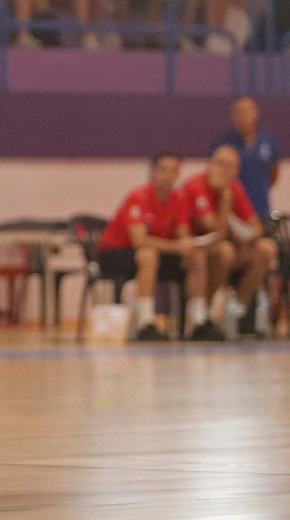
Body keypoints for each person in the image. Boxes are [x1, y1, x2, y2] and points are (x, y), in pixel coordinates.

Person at [97, 152, 206, 341]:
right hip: (116, 254)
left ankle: (199, 321)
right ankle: (145, 322)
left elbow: (183, 235)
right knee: (147, 255)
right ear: (153, 172)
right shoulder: (138, 196)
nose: (168, 175)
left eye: (173, 171)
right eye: (163, 170)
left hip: (158, 253)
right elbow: (140, 240)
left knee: (195, 256)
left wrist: (189, 245)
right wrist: (177, 246)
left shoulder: (178, 199)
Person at [179, 145, 278, 337]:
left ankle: (236, 308)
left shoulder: (236, 187)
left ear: (237, 170)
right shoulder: (195, 186)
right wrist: (225, 198)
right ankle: (204, 315)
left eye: (230, 166)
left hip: (229, 246)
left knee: (266, 249)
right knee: (224, 251)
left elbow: (256, 229)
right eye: (219, 163)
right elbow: (215, 231)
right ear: (210, 164)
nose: (224, 169)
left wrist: (244, 235)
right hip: (198, 250)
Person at [211, 96, 280, 218]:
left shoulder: (268, 142)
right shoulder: (224, 143)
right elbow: (216, 174)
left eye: (247, 111)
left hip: (261, 205)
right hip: (233, 207)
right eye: (239, 112)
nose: (244, 116)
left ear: (256, 114)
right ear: (233, 116)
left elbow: (274, 172)